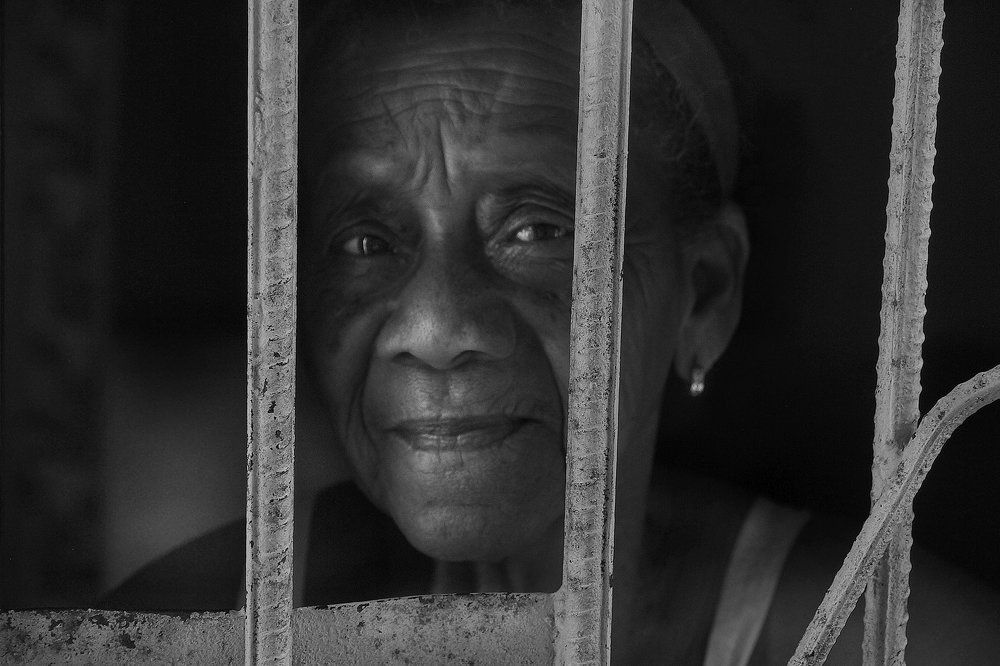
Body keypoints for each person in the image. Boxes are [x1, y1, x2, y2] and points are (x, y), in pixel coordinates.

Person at [104, 0, 999, 662]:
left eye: (537, 230)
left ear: (705, 295)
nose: (436, 327)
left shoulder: (888, 637)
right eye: (365, 240)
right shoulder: (197, 624)